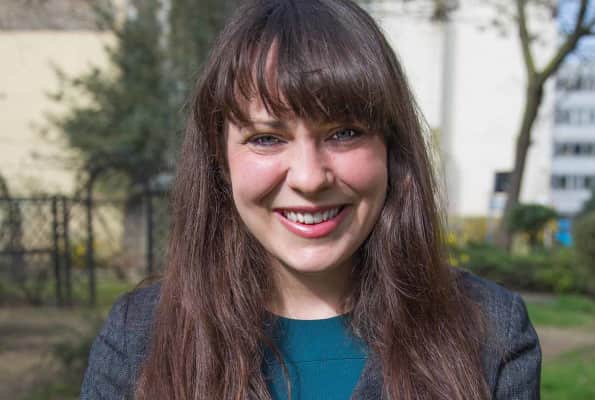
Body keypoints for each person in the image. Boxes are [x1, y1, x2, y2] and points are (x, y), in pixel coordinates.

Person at [80, 0, 541, 399]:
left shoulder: (491, 334)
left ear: (391, 149)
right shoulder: (137, 338)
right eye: (266, 138)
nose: (309, 177)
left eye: (344, 133)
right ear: (220, 160)